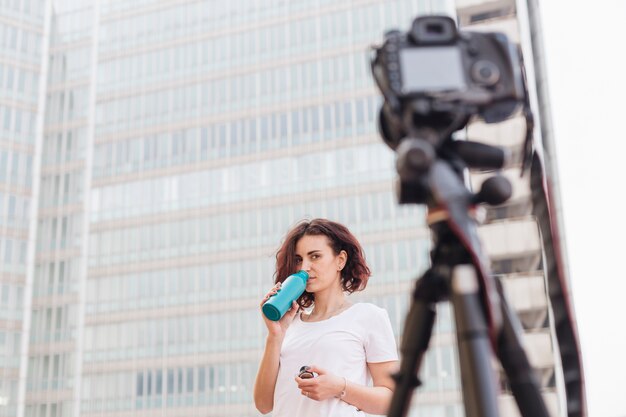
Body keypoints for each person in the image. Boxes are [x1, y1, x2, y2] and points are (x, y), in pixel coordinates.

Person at [253, 218, 399, 416]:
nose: (304, 266)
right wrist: (275, 335)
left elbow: (393, 401)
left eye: (315, 257)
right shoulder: (288, 324)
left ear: (340, 260)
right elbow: (263, 404)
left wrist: (339, 387)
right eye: (298, 259)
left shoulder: (368, 317)